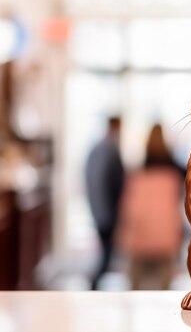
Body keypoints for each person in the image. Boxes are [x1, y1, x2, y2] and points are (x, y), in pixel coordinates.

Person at [118, 123, 185, 290]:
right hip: (166, 233)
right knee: (165, 286)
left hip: (141, 232)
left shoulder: (138, 172)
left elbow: (129, 207)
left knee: (135, 285)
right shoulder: (176, 172)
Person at [85, 116, 125, 290]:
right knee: (107, 254)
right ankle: (93, 285)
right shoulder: (109, 150)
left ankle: (95, 285)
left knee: (107, 252)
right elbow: (114, 184)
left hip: (100, 209)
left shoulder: (98, 149)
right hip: (107, 211)